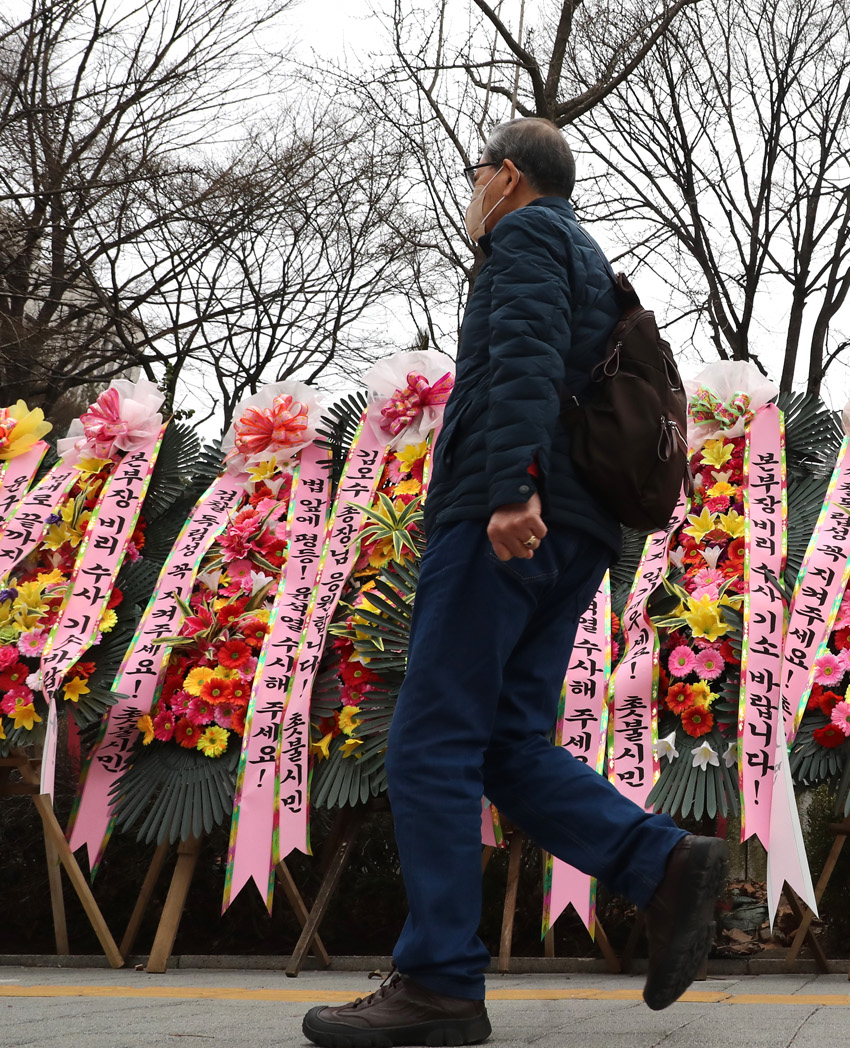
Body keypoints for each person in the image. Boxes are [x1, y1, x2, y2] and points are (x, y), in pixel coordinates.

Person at [303, 119, 723, 1048]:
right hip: (576, 532)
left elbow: (523, 362)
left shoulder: (528, 236)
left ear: (507, 175)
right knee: (503, 743)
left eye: (477, 172)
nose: (473, 191)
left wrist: (508, 487)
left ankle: (439, 983)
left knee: (430, 741)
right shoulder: (588, 256)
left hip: (509, 523)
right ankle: (661, 864)